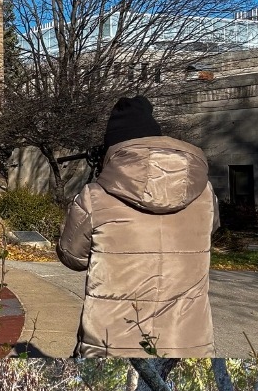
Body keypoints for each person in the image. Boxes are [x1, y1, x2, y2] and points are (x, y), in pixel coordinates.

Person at [57, 95, 217, 357]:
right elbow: (208, 232)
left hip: (111, 341)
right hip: (189, 341)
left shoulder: (95, 196)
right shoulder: (205, 192)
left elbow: (72, 257)